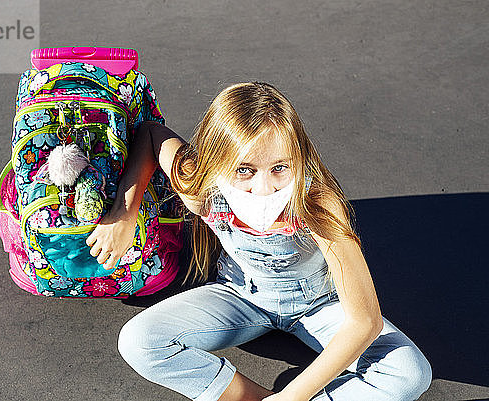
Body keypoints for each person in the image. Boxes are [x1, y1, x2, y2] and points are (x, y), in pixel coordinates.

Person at [85, 82, 432, 401]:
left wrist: (292, 397)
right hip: (241, 297)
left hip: (320, 305)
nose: (264, 188)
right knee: (138, 341)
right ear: (215, 163)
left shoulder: (318, 203)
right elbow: (150, 136)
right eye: (244, 169)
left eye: (279, 167)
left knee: (410, 374)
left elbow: (364, 321)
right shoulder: (199, 186)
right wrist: (123, 214)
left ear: (297, 157)